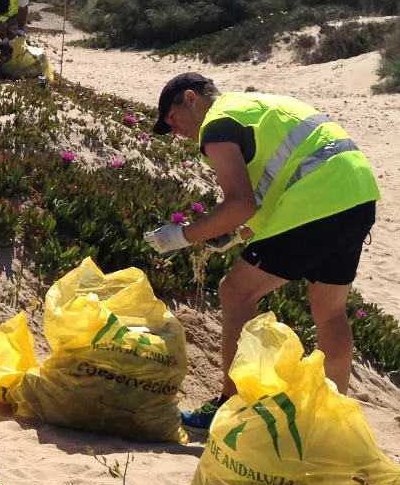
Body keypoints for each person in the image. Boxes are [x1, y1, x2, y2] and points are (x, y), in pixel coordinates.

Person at [145, 73, 379, 429]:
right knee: (330, 310)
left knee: (235, 291)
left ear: (189, 98)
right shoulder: (250, 108)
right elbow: (272, 190)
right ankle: (333, 419)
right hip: (357, 193)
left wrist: (182, 235)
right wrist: (241, 235)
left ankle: (230, 403)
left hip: (318, 200)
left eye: (172, 120)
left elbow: (240, 204)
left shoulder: (217, 124)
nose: (174, 131)